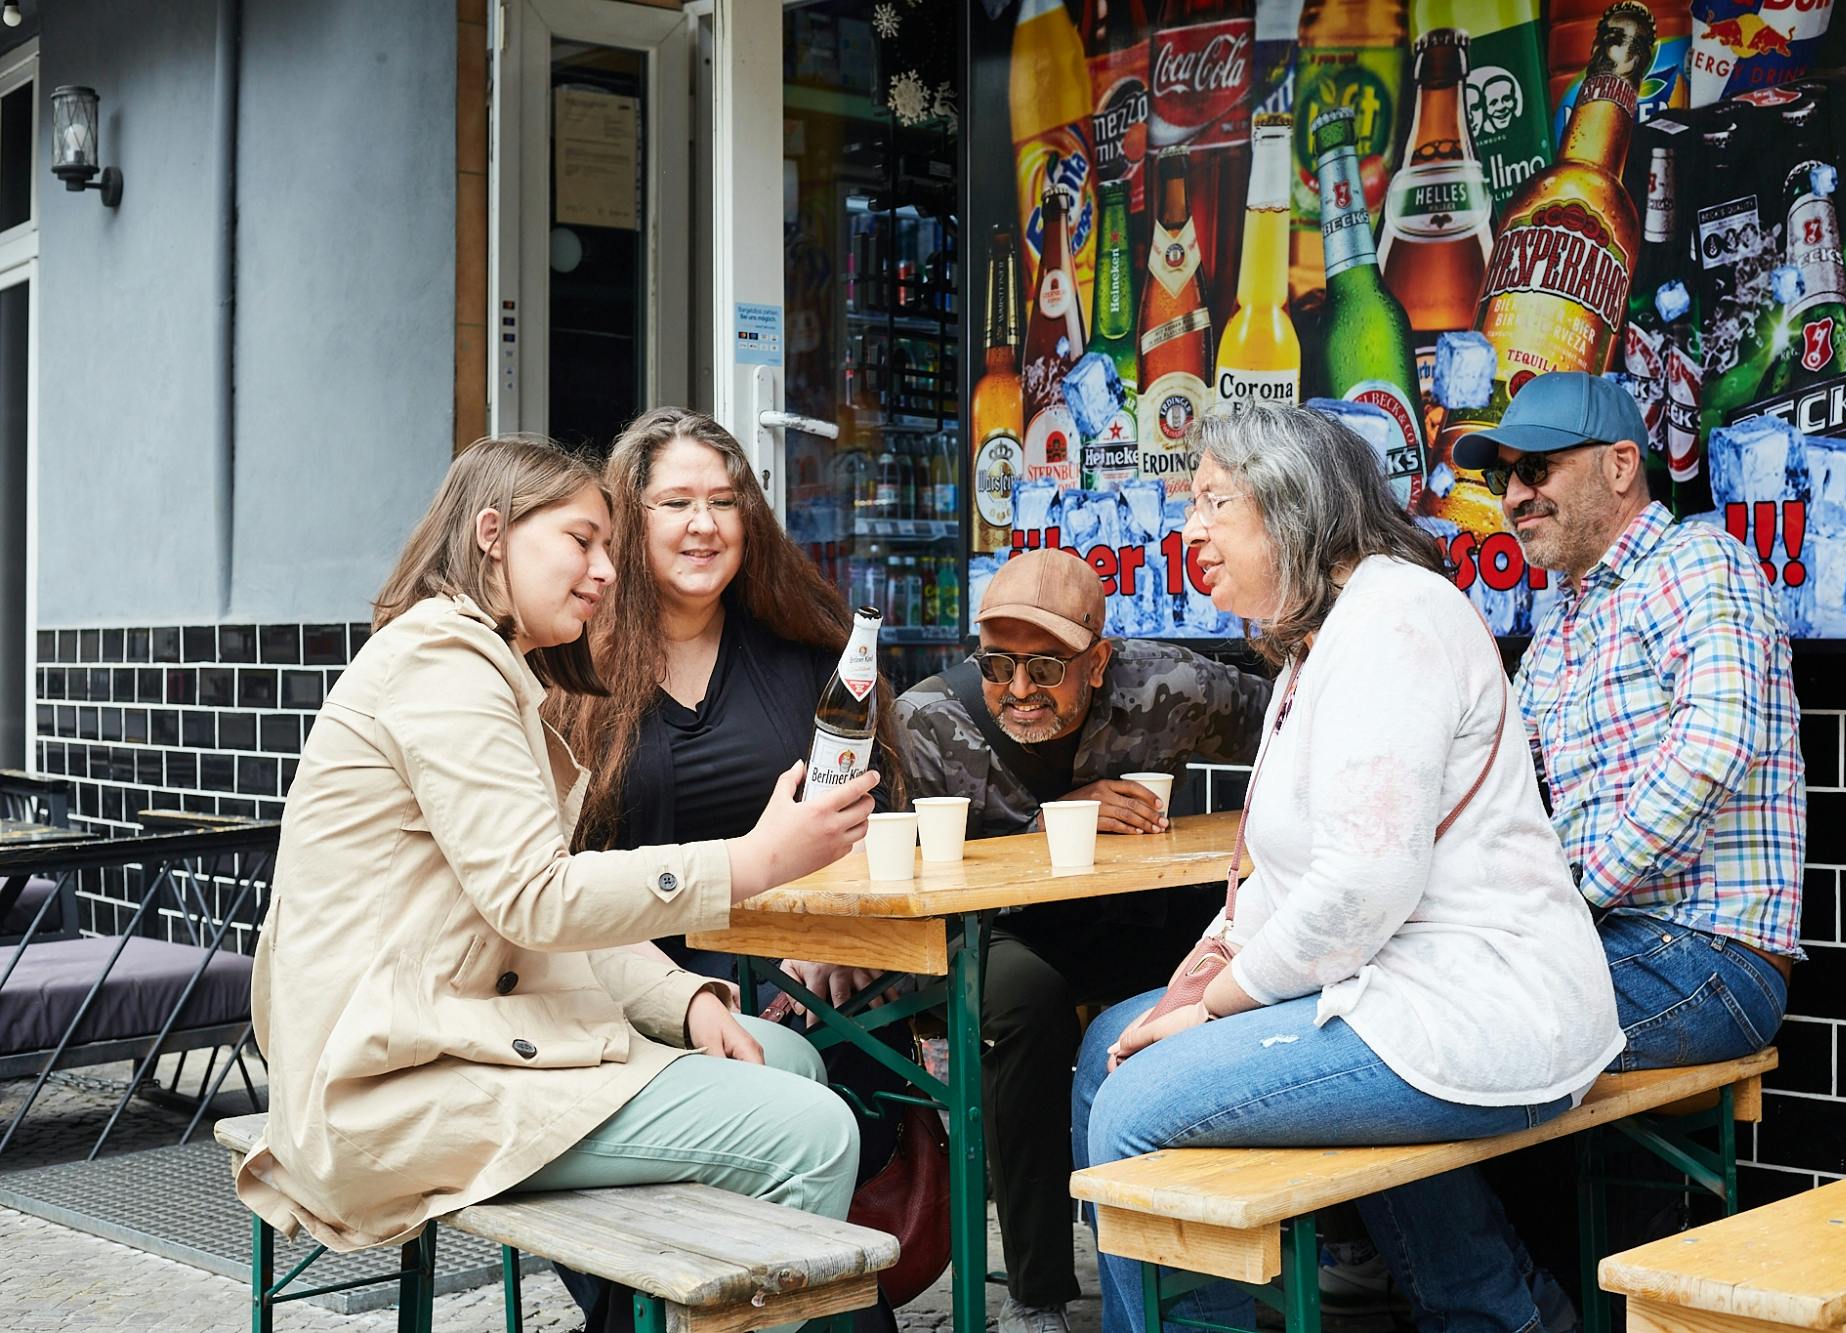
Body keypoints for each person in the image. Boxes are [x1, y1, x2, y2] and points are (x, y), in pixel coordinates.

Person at [235, 437, 878, 1333]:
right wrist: (753, 861)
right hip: (390, 1083)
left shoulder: (480, 668)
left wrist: (688, 999)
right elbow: (539, 898)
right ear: (494, 533)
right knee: (814, 1129)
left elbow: (533, 906)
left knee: (793, 1060)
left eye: (611, 547)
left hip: (445, 1047)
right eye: (584, 540)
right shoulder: (445, 669)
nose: (608, 571)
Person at [1069, 404, 1626, 1333]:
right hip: (1385, 989)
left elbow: (1363, 883)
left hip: (1475, 1003)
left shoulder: (1394, 619)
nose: (1190, 527)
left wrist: (1211, 1008)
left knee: (1136, 1107)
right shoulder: (1316, 645)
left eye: (1215, 500)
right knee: (1109, 1046)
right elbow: (1286, 877)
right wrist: (1199, 977)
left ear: (1290, 504)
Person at [1368, 371, 1804, 1321]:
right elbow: (1501, 795)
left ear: (1619, 466)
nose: (1517, 493)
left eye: (1540, 469)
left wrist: (1567, 900)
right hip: (1597, 945)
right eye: (1506, 477)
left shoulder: (1699, 563)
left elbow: (1713, 745)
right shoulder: (1558, 617)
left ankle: (1504, 1316)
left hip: (1708, 956)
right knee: (1381, 1024)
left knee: (1402, 1061)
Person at [548, 407, 914, 1329]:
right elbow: (541, 879)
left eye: (724, 500)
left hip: (799, 990)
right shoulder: (568, 670)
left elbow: (879, 818)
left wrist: (841, 935)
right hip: (614, 996)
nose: (703, 523)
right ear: (628, 520)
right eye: (675, 501)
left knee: (813, 1094)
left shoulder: (807, 661)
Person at [894, 547, 1271, 1333]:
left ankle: (1293, 1243)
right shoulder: (929, 718)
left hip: (1136, 925)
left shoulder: (1178, 687)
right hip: (1000, 937)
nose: (1019, 688)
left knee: (1249, 955)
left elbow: (1298, 726)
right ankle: (1036, 1296)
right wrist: (1050, 820)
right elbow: (888, 855)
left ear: (1099, 661)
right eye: (997, 664)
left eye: (1045, 666)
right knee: (1019, 1001)